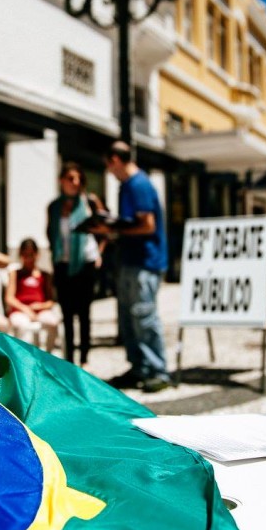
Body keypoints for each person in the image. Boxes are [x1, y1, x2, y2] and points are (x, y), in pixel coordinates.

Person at [100, 141, 171, 393]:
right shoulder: (127, 186)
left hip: (145, 261)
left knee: (144, 316)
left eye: (108, 165)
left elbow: (147, 225)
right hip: (130, 260)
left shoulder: (139, 184)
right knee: (129, 318)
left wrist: (111, 228)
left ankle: (158, 370)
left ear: (115, 160)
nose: (109, 171)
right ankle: (139, 368)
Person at [46, 162, 104, 365]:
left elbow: (104, 229)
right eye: (71, 178)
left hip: (85, 263)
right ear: (61, 181)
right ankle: (69, 359)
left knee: (85, 313)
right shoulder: (54, 207)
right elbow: (51, 235)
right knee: (67, 314)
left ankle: (85, 358)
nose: (75, 182)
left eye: (79, 178)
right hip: (63, 263)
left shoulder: (89, 202)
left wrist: (99, 254)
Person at [5, 238, 61, 350]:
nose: (29, 259)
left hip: (40, 310)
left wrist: (39, 306)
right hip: (20, 310)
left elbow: (51, 301)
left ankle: (46, 355)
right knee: (23, 326)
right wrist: (25, 309)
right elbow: (9, 298)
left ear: (37, 255)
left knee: (53, 323)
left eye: (31, 255)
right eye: (25, 255)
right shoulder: (15, 273)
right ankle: (26, 358)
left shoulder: (45, 275)